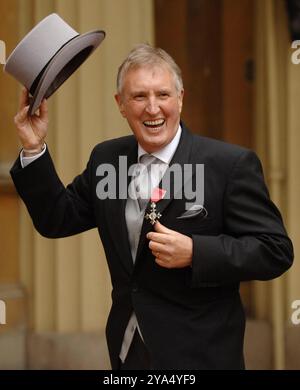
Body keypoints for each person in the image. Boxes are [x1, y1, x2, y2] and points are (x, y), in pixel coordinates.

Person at [11, 44, 293, 370]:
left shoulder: (228, 165)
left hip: (202, 354)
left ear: (181, 98)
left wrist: (196, 252)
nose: (153, 108)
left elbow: (275, 250)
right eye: (139, 96)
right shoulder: (108, 160)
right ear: (120, 104)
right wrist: (33, 148)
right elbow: (56, 220)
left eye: (163, 94)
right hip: (128, 351)